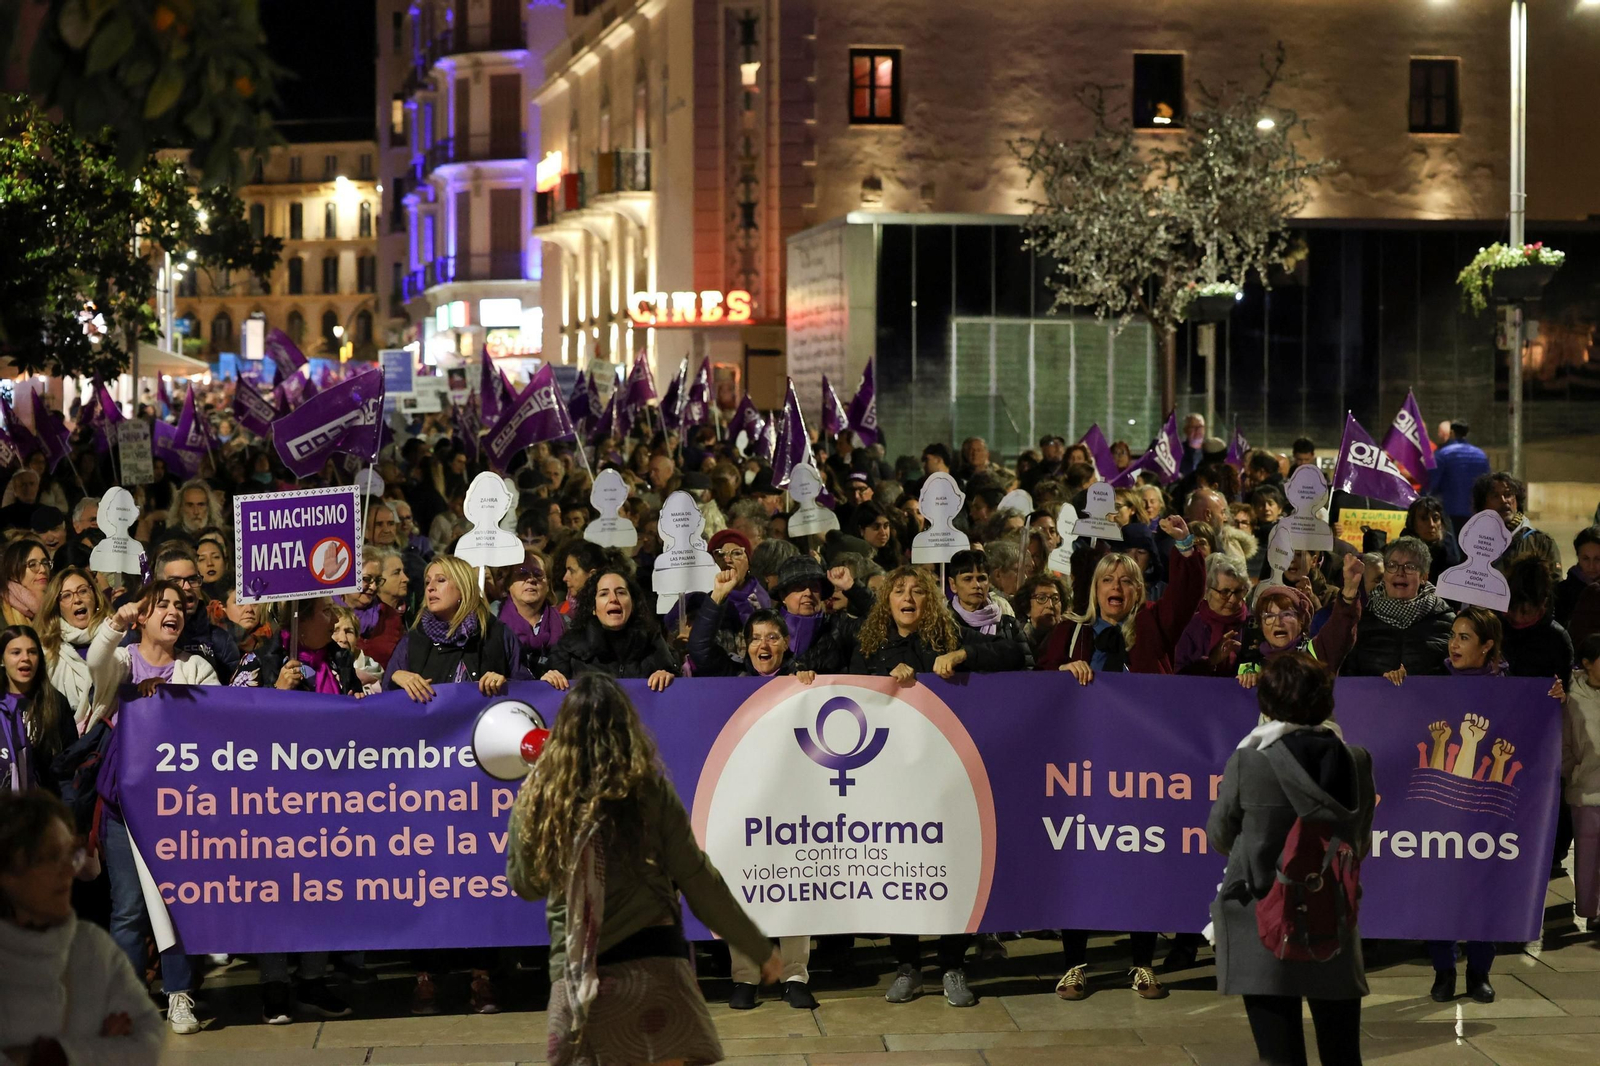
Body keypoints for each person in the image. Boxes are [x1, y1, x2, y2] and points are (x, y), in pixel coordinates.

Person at [507, 674, 781, 1065]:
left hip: (582, 975)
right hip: (656, 968)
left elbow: (526, 884)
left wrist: (527, 813)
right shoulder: (649, 789)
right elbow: (697, 878)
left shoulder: (540, 797)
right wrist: (756, 947)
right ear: (626, 727)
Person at [848, 566, 1021, 1006]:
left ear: (931, 601)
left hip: (947, 781)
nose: (908, 597)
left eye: (918, 591)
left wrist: (961, 657)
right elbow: (849, 699)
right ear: (887, 600)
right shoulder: (868, 648)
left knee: (953, 872)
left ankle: (952, 966)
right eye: (899, 590)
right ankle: (908, 966)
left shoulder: (947, 641)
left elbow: (1017, 650)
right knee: (899, 874)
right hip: (890, 782)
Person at [1207, 652, 1375, 1066]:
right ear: (1325, 702)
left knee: (1278, 1056)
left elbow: (1220, 835)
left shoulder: (1250, 760)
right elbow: (1360, 843)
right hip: (1330, 917)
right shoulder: (1356, 760)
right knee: (1342, 1054)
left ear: (1267, 703)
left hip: (1263, 918)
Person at [90, 580, 221, 1036]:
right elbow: (95, 662)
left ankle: (179, 998)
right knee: (128, 908)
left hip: (180, 809)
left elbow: (216, 725)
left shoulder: (197, 667)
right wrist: (114, 624)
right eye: (159, 604)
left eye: (179, 605)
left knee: (177, 903)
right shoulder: (123, 662)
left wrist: (169, 704)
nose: (173, 611)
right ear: (141, 616)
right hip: (124, 807)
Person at [0, 789, 164, 1066]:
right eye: (48, 858)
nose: (67, 872)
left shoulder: (93, 947)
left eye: (70, 855)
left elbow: (142, 1039)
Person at [384, 555, 527, 703]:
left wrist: (506, 684)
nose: (430, 587)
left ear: (463, 587)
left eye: (440, 580)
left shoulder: (497, 634)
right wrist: (395, 678)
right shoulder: (413, 640)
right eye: (427, 582)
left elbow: (527, 690)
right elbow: (386, 703)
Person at [1234, 555, 1365, 686]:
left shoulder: (1317, 652)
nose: (1278, 622)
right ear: (1261, 626)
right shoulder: (1249, 665)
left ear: (1301, 621)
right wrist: (1247, 681)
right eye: (1269, 616)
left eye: (1286, 614)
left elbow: (1340, 629)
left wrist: (1349, 591)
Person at [542, 567, 677, 691]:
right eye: (604, 594)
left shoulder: (652, 640)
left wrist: (667, 676)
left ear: (632, 603)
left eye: (621, 592)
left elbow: (674, 675)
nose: (613, 599)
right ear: (593, 607)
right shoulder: (570, 645)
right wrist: (549, 679)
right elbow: (550, 691)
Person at [1341, 537, 1455, 682]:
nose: (1400, 572)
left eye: (1410, 567)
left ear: (1424, 577)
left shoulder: (1446, 621)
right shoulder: (1361, 619)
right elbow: (1348, 673)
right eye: (1393, 565)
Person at [0, 625, 76, 795]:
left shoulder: (55, 703)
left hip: (43, 807)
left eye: (32, 652)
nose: (25, 658)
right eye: (16, 652)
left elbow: (70, 761)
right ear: (2, 659)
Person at [37, 566, 109, 729]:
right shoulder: (45, 650)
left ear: (95, 596)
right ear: (57, 606)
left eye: (83, 591)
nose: (77, 600)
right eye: (67, 596)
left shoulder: (118, 639)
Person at [1563, 635, 1600, 933]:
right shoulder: (1572, 697)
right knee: (1587, 855)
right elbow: (1564, 742)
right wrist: (1572, 772)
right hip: (1585, 789)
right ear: (1587, 664)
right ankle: (1590, 910)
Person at [945, 549, 1032, 666]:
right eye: (968, 579)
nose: (976, 585)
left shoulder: (1008, 626)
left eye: (981, 579)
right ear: (953, 584)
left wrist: (966, 653)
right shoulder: (943, 625)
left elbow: (1026, 667)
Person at [1174, 553, 1252, 676]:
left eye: (1238, 592)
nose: (1232, 599)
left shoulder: (1253, 625)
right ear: (1206, 591)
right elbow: (1177, 676)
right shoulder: (1189, 627)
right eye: (1224, 592)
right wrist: (1211, 662)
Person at [493, 549, 566, 678]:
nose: (531, 580)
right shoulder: (491, 621)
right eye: (522, 574)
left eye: (538, 574)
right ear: (508, 583)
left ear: (548, 585)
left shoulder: (566, 624)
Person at [1428, 420, 1491, 531]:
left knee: (1454, 545)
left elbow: (1432, 484)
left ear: (1451, 433)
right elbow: (1487, 484)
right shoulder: (1481, 455)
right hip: (1474, 511)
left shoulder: (1442, 455)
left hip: (1450, 511)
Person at [1401, 496, 1463, 585]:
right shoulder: (1401, 550)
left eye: (1435, 518)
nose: (1431, 524)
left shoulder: (1449, 547)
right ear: (1413, 523)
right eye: (1424, 518)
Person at [1, 537, 52, 627]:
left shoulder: (58, 604)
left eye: (45, 563)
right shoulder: (3, 609)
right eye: (32, 565)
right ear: (13, 571)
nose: (43, 570)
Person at [1557, 526, 1600, 629]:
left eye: (1598, 559)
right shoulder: (1562, 593)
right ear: (1578, 557)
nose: (1591, 566)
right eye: (1585, 559)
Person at [560, 540, 608, 616]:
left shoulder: (609, 609)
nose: (564, 578)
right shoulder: (561, 610)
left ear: (592, 574)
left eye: (572, 571)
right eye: (566, 571)